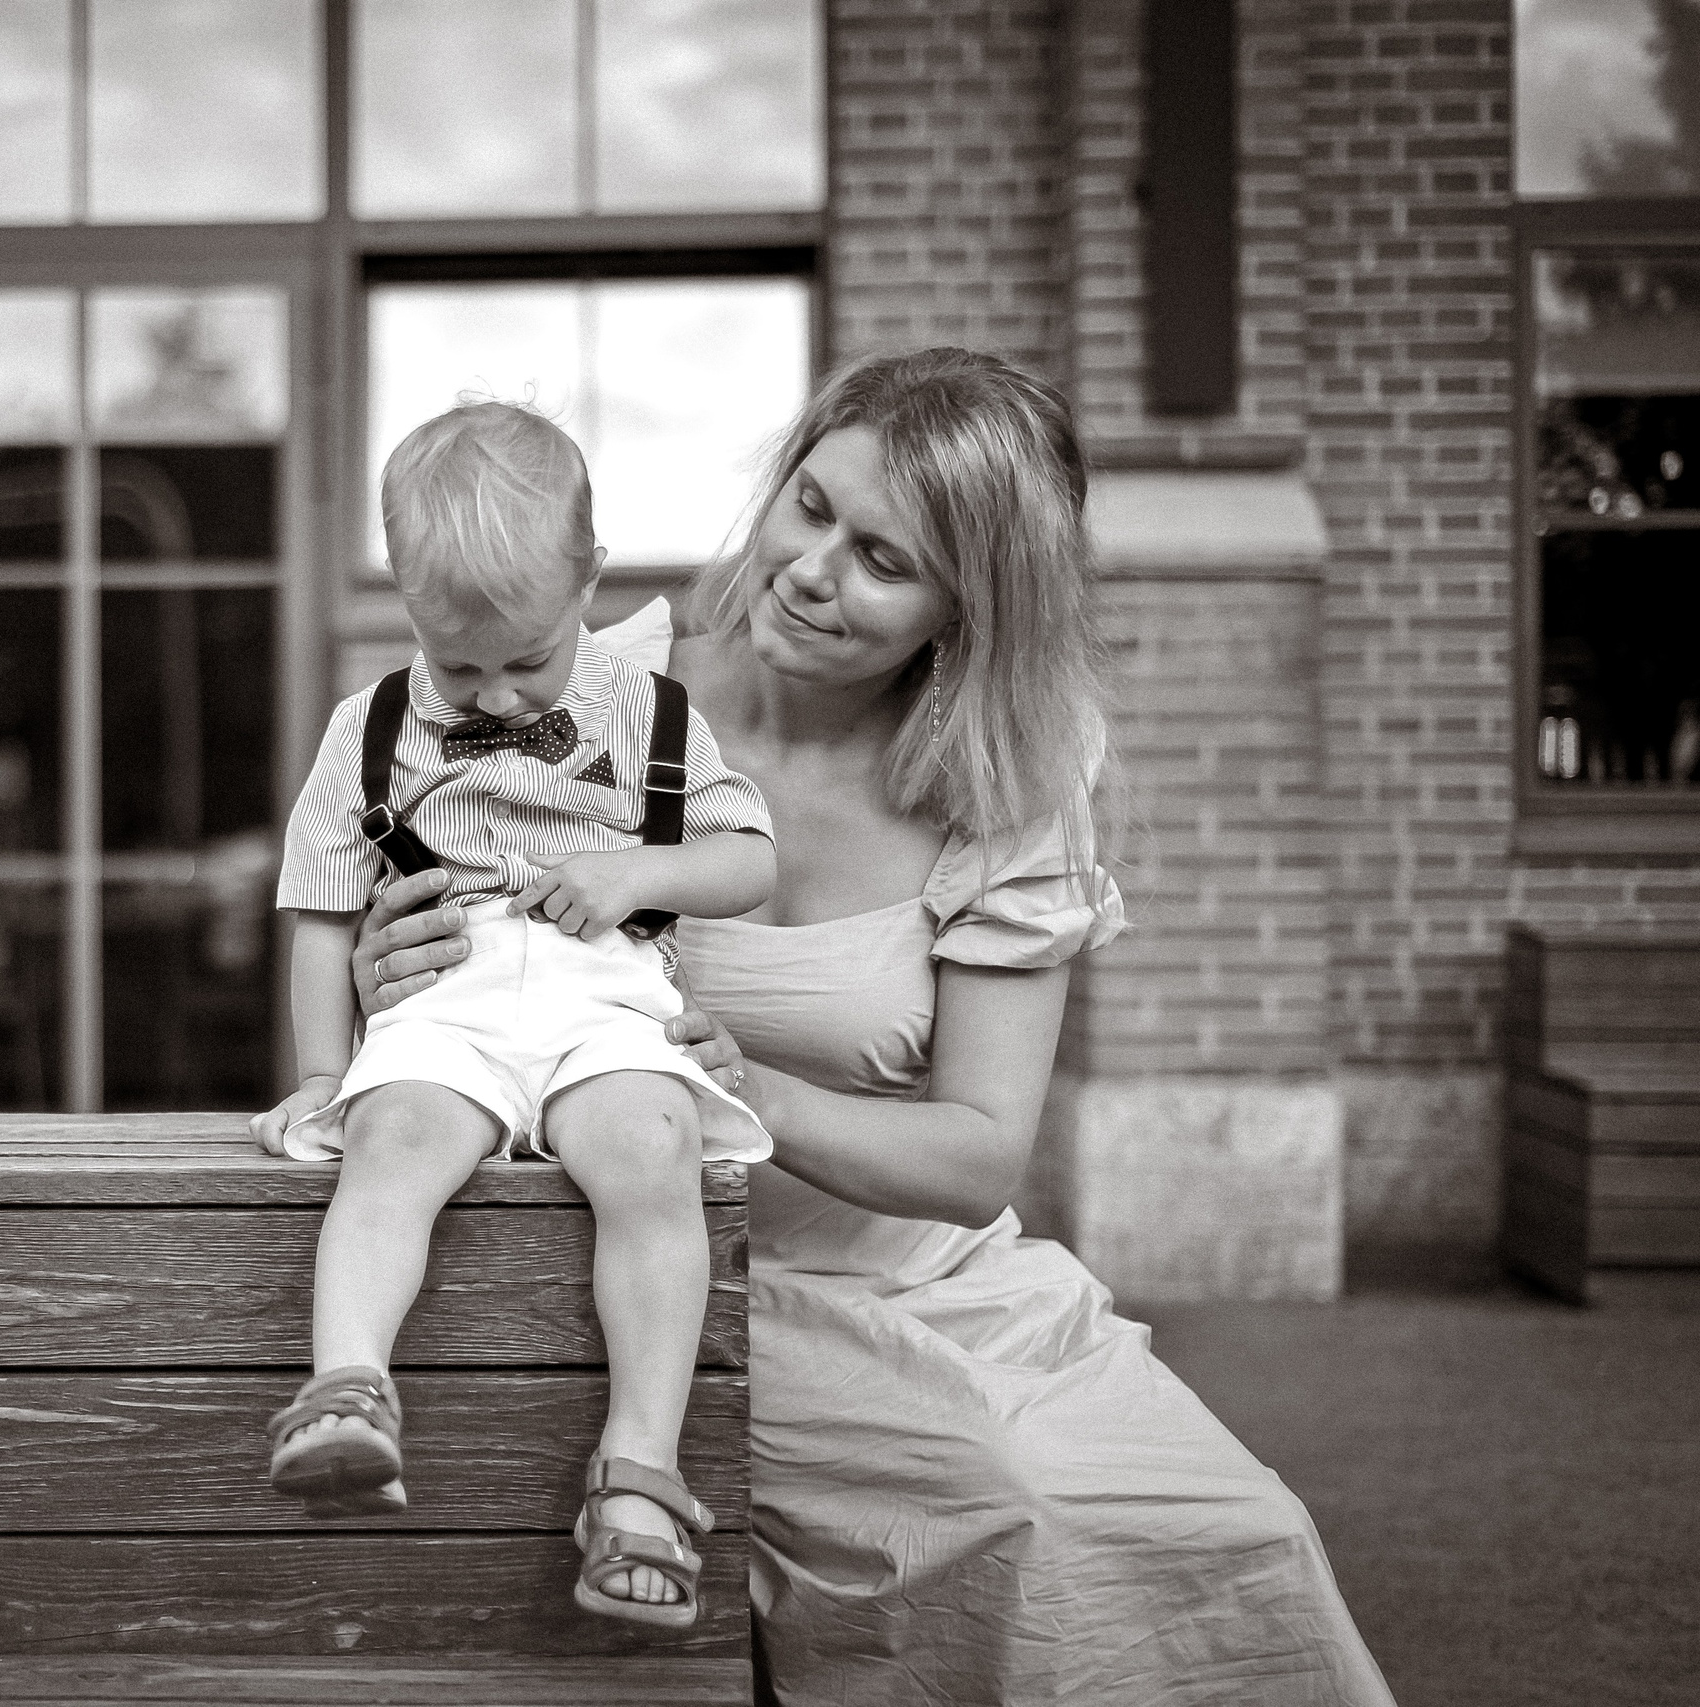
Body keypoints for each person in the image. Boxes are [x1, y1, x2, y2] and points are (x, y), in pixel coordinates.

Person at [312, 352, 1399, 1704]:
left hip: (924, 1285)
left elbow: (979, 1154)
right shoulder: (593, 688)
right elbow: (412, 983)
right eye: (809, 504)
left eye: (883, 557)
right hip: (654, 1273)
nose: (811, 567)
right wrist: (389, 971)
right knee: (1013, 1506)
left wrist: (747, 1082)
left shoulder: (1005, 790)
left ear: (969, 608)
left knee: (1238, 1534)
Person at [251, 401, 778, 1630]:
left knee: (650, 1155)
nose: (489, 699)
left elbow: (747, 860)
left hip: (605, 989)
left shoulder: (653, 713)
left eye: (525, 665)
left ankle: (640, 1474)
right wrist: (326, 1071)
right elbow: (322, 913)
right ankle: (347, 1391)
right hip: (448, 996)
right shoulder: (369, 728)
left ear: (589, 579)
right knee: (391, 1146)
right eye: (458, 666)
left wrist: (640, 873)